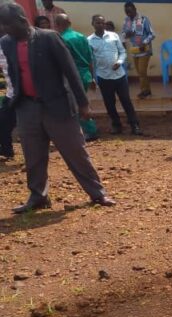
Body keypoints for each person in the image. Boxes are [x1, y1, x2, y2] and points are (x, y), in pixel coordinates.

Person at [0, 3, 115, 213]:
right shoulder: (6, 43)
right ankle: (38, 196)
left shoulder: (48, 38)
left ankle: (97, 193)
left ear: (21, 20)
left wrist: (83, 104)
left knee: (76, 153)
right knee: (33, 155)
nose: (3, 29)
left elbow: (70, 71)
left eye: (6, 24)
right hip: (27, 107)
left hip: (58, 106)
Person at [89, 14, 142, 135]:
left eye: (102, 22)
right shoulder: (89, 41)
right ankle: (116, 125)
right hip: (104, 76)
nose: (100, 25)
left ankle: (135, 125)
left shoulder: (113, 36)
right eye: (97, 23)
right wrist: (92, 77)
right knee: (109, 103)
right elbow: (90, 60)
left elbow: (122, 52)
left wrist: (119, 62)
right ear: (93, 24)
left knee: (126, 101)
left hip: (119, 75)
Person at [54, 13, 99, 142]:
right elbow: (90, 58)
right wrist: (92, 76)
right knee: (83, 101)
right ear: (70, 23)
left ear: (57, 25)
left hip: (73, 75)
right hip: (85, 73)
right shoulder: (81, 36)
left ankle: (88, 131)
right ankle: (89, 129)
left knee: (77, 104)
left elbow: (64, 62)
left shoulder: (61, 39)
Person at [122, 1, 155, 99]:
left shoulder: (143, 19)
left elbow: (152, 34)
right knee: (140, 72)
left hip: (144, 50)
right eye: (126, 12)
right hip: (135, 50)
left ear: (135, 10)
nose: (129, 14)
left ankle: (144, 91)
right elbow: (123, 33)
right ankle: (147, 90)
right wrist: (126, 35)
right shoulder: (126, 20)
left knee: (141, 71)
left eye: (130, 11)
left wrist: (144, 42)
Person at [0, 30, 15, 160]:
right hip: (11, 93)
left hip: (22, 94)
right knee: (4, 123)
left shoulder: (12, 42)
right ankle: (6, 151)